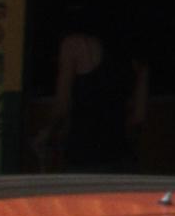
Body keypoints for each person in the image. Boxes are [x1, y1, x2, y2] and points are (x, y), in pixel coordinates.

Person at [48, 27, 149, 169]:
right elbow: (139, 117)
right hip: (120, 155)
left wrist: (48, 133)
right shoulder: (137, 60)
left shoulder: (76, 44)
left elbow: (61, 108)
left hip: (82, 153)